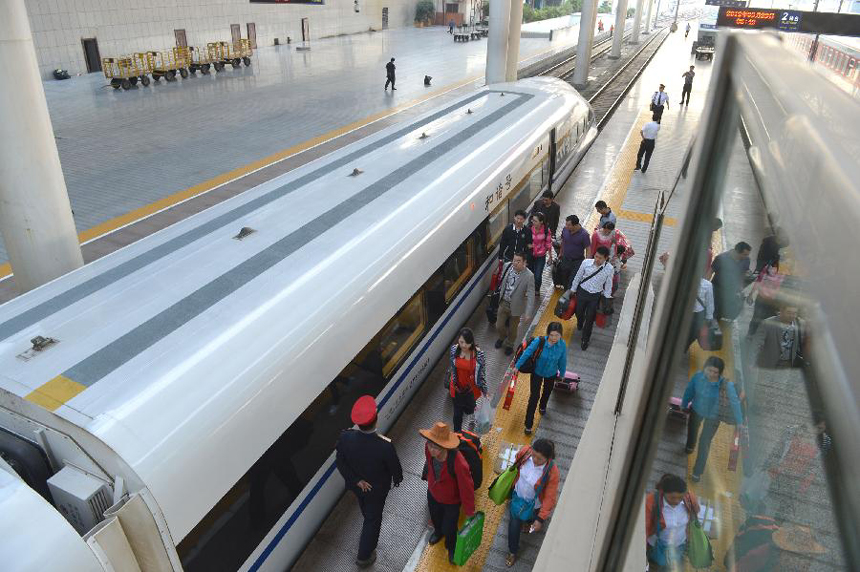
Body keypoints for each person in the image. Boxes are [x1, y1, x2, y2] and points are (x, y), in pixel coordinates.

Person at [336, 396, 404, 568]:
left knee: (366, 508)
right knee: (373, 520)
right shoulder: (384, 446)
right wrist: (397, 479)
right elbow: (394, 468)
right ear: (375, 419)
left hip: (358, 488)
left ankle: (367, 516)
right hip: (377, 490)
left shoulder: (345, 438)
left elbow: (340, 462)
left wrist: (356, 480)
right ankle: (364, 555)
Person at [419, 422, 476, 564]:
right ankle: (438, 532)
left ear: (445, 447)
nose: (431, 449)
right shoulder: (428, 449)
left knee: (450, 528)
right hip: (433, 493)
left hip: (451, 501)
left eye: (435, 447)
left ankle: (451, 547)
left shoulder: (458, 463)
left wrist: (469, 510)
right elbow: (430, 466)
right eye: (429, 444)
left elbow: (466, 487)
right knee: (436, 518)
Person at [682, 356, 744, 482]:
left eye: (715, 372)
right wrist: (684, 403)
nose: (711, 374)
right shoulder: (698, 377)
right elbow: (689, 391)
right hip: (696, 410)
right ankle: (690, 446)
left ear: (719, 373)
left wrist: (739, 421)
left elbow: (735, 402)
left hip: (714, 417)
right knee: (692, 431)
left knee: (704, 442)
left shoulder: (727, 386)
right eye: (709, 370)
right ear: (705, 368)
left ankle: (697, 472)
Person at [504, 439, 560, 567]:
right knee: (514, 525)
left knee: (532, 518)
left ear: (548, 458)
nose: (534, 460)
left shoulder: (552, 472)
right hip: (517, 498)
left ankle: (528, 522)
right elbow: (516, 463)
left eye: (539, 459)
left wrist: (540, 519)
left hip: (535, 505)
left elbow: (550, 497)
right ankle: (512, 551)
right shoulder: (526, 452)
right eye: (533, 455)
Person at [513, 322, 567, 434]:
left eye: (557, 335)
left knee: (547, 392)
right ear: (548, 334)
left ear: (561, 335)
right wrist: (517, 366)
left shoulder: (562, 345)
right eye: (551, 335)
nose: (554, 338)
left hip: (551, 374)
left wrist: (562, 374)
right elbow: (527, 353)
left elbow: (563, 361)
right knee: (534, 397)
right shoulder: (539, 341)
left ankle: (543, 406)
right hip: (537, 372)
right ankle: (528, 425)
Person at [645, 474, 701, 571]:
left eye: (680, 497)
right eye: (672, 497)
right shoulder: (651, 502)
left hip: (679, 547)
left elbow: (696, 512)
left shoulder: (689, 499)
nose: (677, 501)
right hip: (657, 549)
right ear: (663, 492)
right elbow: (644, 530)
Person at [566, 245, 614, 350]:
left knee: (590, 319)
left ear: (605, 258)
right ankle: (579, 322)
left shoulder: (609, 269)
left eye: (600, 258)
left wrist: (607, 299)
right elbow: (578, 276)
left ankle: (585, 339)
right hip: (582, 293)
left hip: (595, 296)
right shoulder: (586, 263)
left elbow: (609, 285)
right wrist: (573, 289)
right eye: (596, 256)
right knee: (579, 312)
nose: (597, 259)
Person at [447, 328, 487, 432]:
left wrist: (485, 390)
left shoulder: (479, 355)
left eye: (467, 343)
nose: (463, 345)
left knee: (470, 409)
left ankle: (472, 416)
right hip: (456, 388)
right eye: (461, 342)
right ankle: (457, 435)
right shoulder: (454, 350)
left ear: (471, 342)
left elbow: (482, 373)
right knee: (457, 416)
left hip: (470, 389)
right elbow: (453, 367)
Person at [495, 252, 535, 355]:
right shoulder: (507, 266)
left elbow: (531, 295)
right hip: (504, 302)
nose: (515, 263)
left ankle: (510, 344)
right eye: (514, 260)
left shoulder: (529, 276)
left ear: (524, 262)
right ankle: (502, 336)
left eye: (518, 261)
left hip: (516, 306)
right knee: (499, 325)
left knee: (513, 329)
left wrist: (528, 313)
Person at [754, 303, 805, 369]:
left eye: (794, 313)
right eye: (789, 312)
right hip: (768, 363)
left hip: (787, 363)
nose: (792, 316)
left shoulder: (800, 324)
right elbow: (757, 343)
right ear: (781, 311)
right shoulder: (767, 323)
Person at [711, 241, 752, 321]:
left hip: (732, 292)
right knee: (713, 311)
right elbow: (711, 271)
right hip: (717, 290)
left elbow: (743, 273)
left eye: (747, 255)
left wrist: (741, 287)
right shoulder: (721, 258)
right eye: (745, 254)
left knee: (723, 312)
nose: (746, 257)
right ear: (737, 252)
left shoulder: (746, 260)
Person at [745, 262, 784, 337]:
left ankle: (761, 336)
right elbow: (758, 281)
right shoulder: (767, 268)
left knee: (769, 320)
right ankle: (751, 334)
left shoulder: (784, 271)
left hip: (773, 301)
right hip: (762, 298)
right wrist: (751, 294)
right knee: (757, 317)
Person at [559, 215, 590, 289]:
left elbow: (588, 248)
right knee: (564, 278)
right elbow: (563, 241)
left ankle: (568, 296)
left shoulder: (584, 235)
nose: (566, 226)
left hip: (577, 262)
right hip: (565, 259)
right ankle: (566, 293)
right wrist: (560, 253)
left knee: (572, 281)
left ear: (575, 225)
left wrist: (587, 263)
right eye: (566, 224)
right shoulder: (565, 230)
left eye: (569, 225)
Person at [527, 212, 553, 293]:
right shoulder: (529, 228)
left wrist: (550, 256)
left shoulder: (546, 230)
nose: (533, 222)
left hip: (540, 256)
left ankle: (537, 289)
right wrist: (527, 245)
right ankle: (530, 289)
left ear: (541, 222)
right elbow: (524, 240)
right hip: (530, 255)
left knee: (538, 275)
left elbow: (548, 243)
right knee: (530, 274)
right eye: (532, 220)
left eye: (535, 221)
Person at [687, 277, 716, 350]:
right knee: (692, 335)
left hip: (689, 313)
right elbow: (709, 303)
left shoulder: (686, 280)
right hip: (697, 315)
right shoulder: (707, 285)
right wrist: (709, 317)